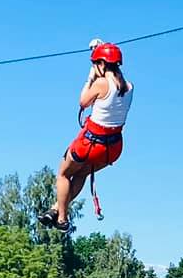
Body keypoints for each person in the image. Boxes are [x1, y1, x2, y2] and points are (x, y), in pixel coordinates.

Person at [42, 41, 133, 229]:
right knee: (82, 172)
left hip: (90, 143)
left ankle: (62, 219)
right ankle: (56, 208)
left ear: (100, 64)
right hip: (112, 148)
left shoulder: (100, 83)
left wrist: (90, 77)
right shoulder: (130, 87)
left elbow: (83, 102)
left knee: (64, 174)